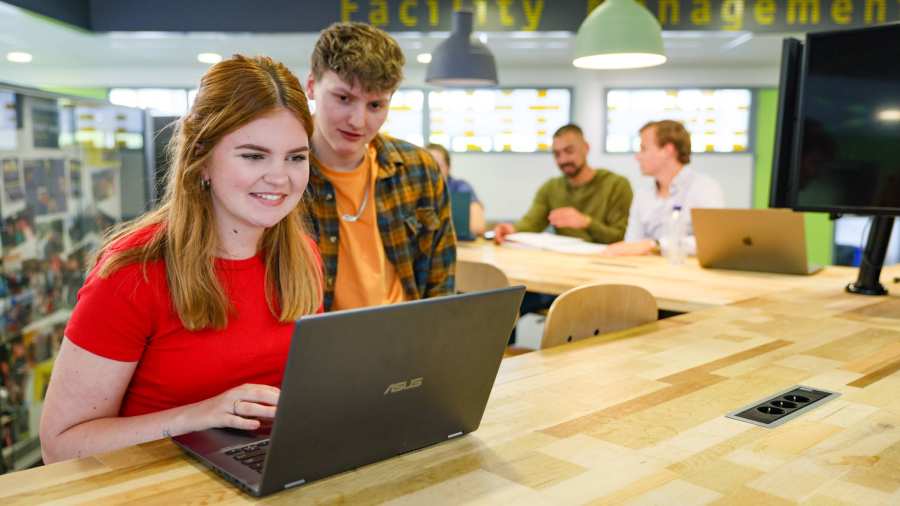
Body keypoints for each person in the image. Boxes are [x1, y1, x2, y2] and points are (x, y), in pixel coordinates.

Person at [39, 55, 324, 463]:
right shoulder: (131, 273)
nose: (281, 178)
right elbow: (60, 446)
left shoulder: (301, 257)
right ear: (202, 158)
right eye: (254, 155)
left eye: (296, 157)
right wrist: (202, 415)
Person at [305, 22, 455, 311]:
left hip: (406, 341)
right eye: (344, 98)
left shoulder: (419, 169)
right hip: (321, 347)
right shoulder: (282, 174)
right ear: (312, 86)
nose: (358, 121)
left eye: (375, 105)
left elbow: (441, 283)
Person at [493, 123, 632, 245]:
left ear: (586, 148)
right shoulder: (551, 188)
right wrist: (511, 229)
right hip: (562, 263)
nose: (563, 160)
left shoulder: (617, 185)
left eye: (569, 151)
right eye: (557, 154)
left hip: (605, 264)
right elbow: (532, 222)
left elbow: (621, 237)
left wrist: (586, 222)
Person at [605, 120, 724, 257]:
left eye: (644, 149)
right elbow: (632, 244)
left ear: (667, 150)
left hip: (687, 273)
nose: (638, 157)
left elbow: (711, 242)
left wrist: (655, 245)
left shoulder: (705, 188)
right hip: (645, 273)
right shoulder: (642, 195)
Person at [426, 143, 486, 238]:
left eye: (439, 166)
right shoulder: (412, 191)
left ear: (448, 167)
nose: (433, 171)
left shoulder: (460, 187)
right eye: (428, 166)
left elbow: (478, 226)